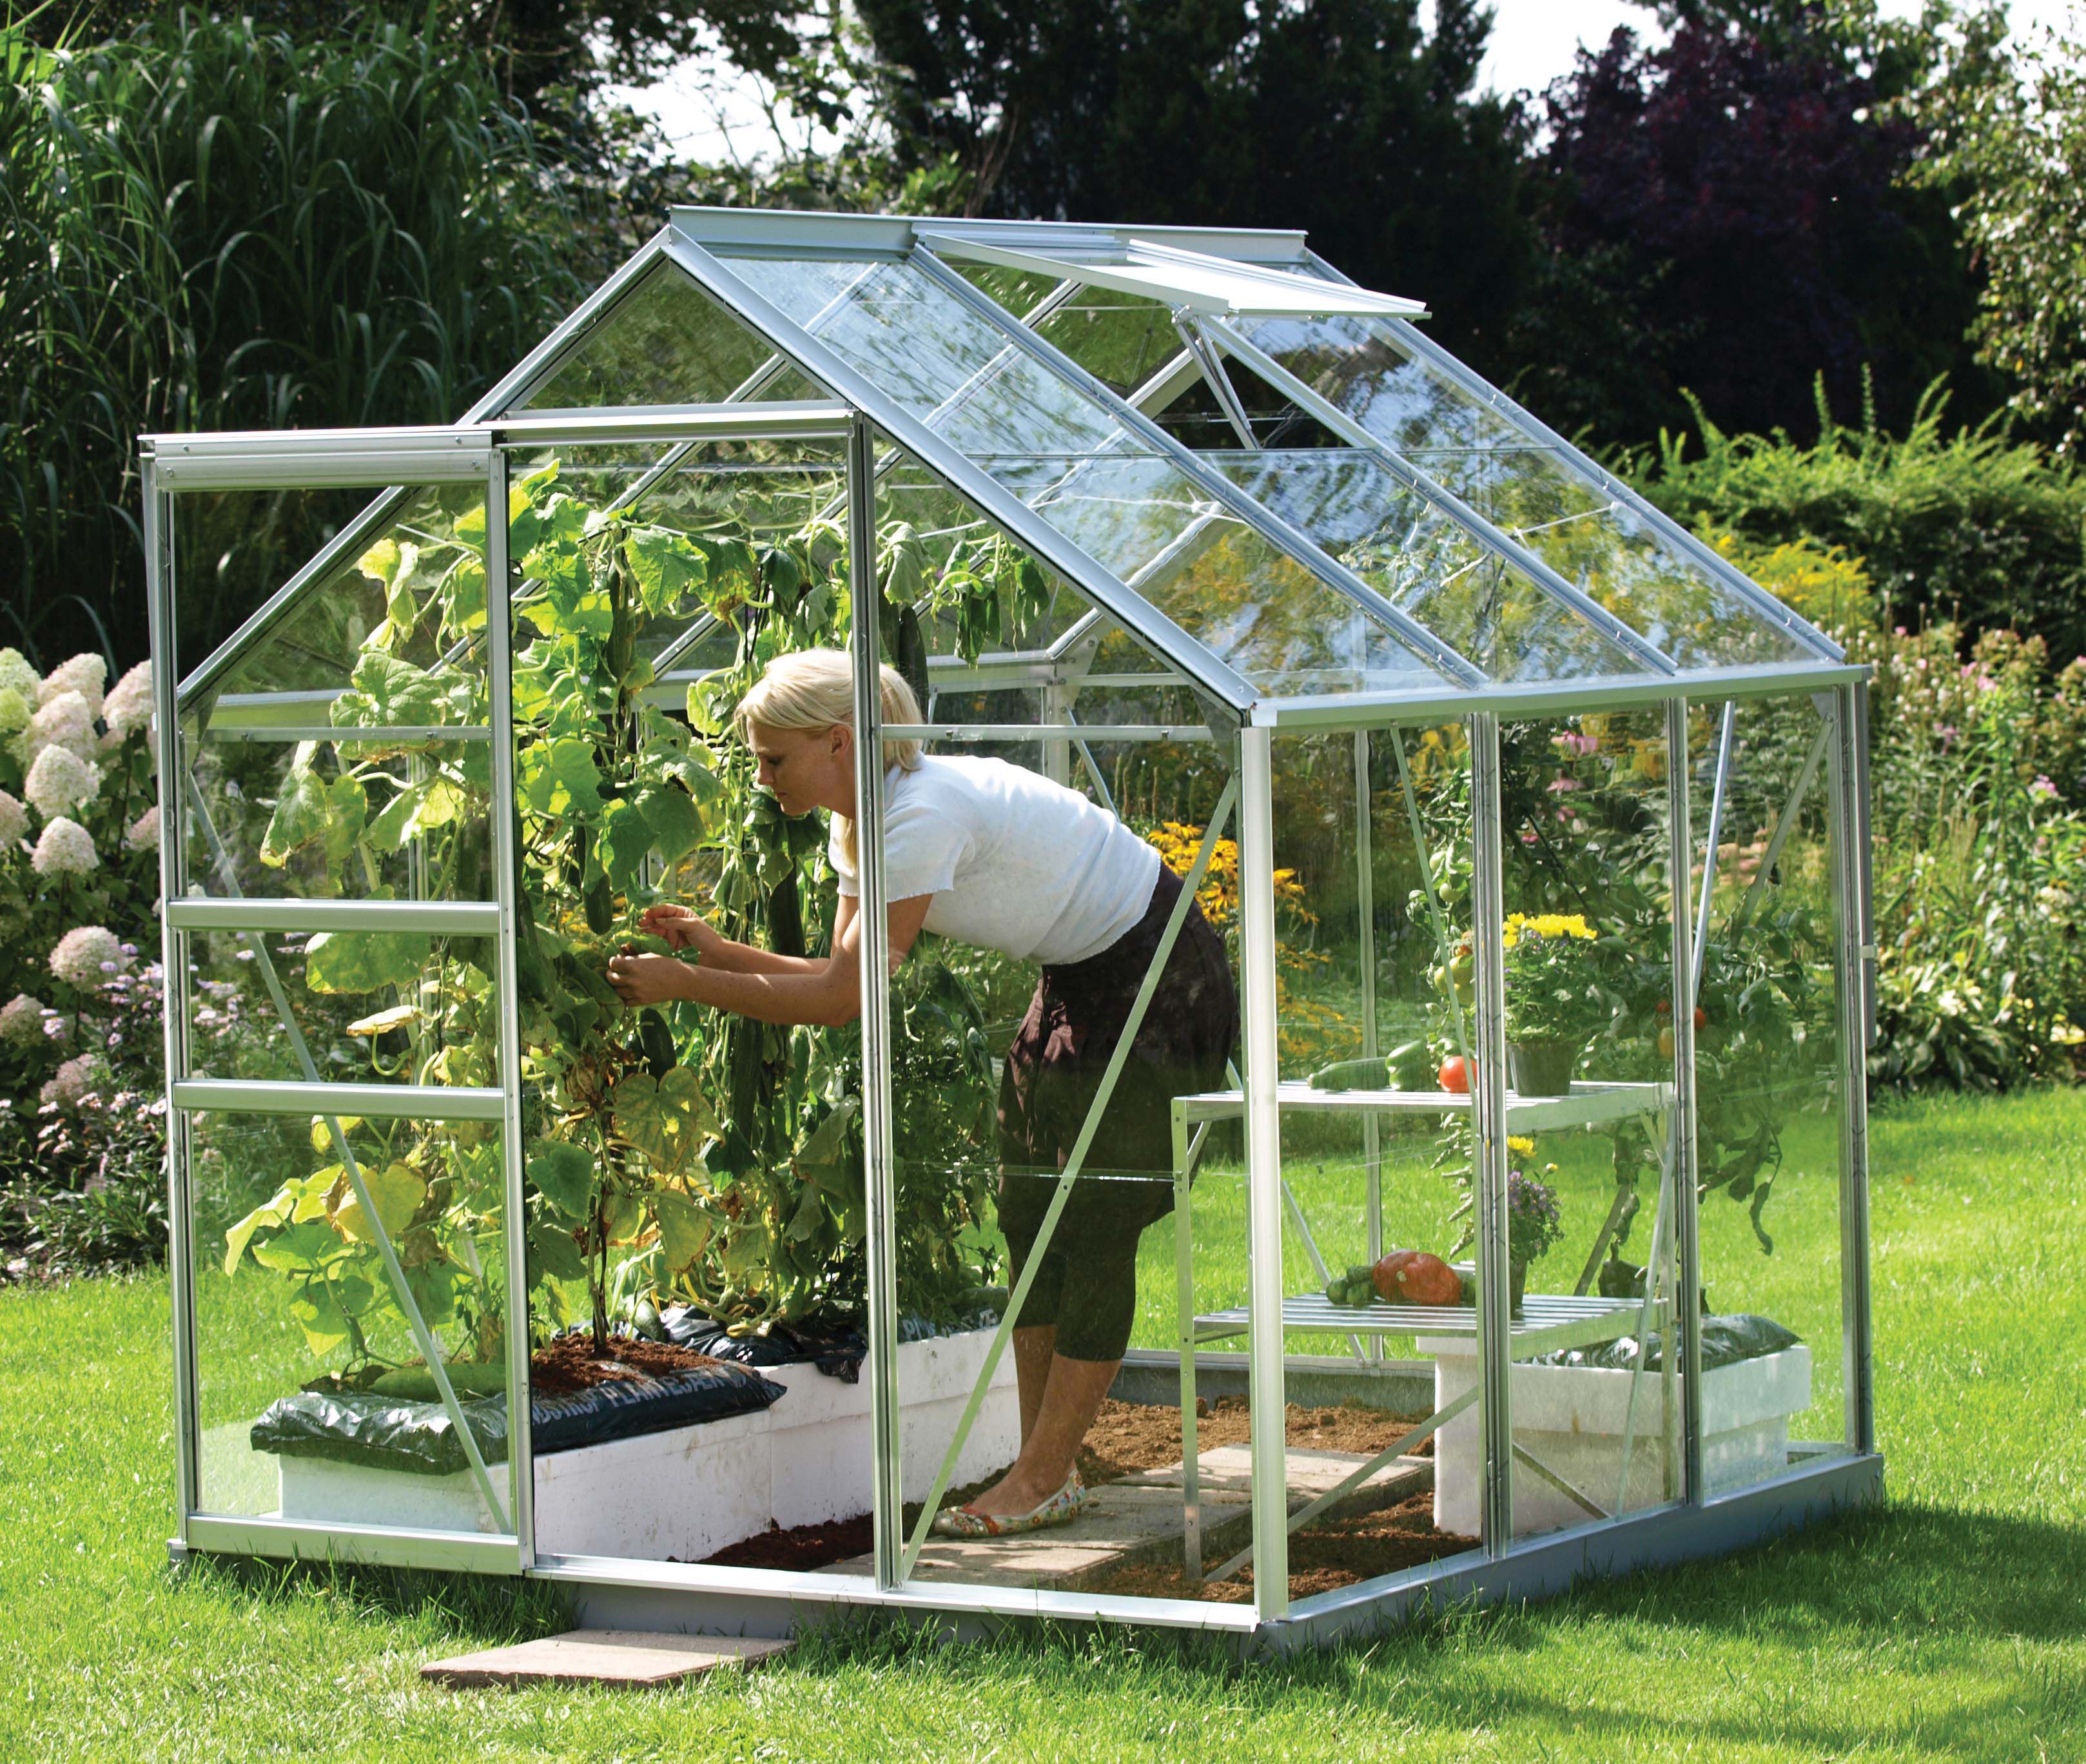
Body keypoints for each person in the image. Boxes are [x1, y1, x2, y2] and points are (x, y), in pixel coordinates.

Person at [604, 647, 1237, 1537]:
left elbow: (843, 1003)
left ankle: (1043, 1475)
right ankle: (1044, 1469)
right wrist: (718, 952)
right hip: (1078, 979)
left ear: (836, 742)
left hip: (1159, 975)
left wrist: (685, 984)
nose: (761, 778)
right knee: (1029, 1213)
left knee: (1093, 1220)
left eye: (772, 759)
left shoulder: (920, 814)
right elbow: (837, 973)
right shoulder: (857, 821)